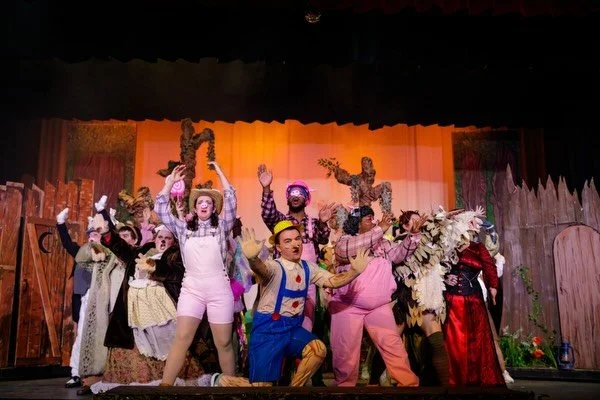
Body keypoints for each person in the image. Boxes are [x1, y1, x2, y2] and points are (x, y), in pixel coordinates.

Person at [210, 220, 371, 387]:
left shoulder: (309, 268)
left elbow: (332, 280)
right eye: (288, 241)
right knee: (261, 388)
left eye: (297, 239)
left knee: (317, 350)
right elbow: (262, 270)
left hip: (292, 328)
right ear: (278, 247)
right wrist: (253, 259)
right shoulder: (274, 267)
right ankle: (222, 380)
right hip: (268, 330)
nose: (295, 244)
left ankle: (294, 393)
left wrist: (353, 272)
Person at [156, 162, 237, 385]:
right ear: (195, 207)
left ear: (214, 208)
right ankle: (164, 387)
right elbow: (161, 209)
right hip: (192, 288)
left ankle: (231, 388)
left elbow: (231, 200)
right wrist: (169, 183)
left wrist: (220, 172)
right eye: (200, 202)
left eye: (208, 202)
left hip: (219, 289)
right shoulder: (183, 228)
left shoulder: (222, 227)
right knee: (182, 338)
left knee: (224, 343)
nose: (204, 205)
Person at [331, 206, 420, 387]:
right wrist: (380, 229)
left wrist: (413, 236)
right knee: (345, 352)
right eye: (368, 219)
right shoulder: (345, 241)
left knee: (393, 346)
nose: (374, 222)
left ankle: (409, 385)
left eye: (374, 218)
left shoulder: (382, 243)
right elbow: (347, 250)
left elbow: (398, 255)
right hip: (348, 306)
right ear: (356, 223)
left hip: (378, 307)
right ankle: (345, 389)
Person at [443, 238, 505, 386]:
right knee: (454, 342)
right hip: (452, 301)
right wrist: (444, 278)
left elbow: (490, 267)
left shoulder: (477, 247)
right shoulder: (447, 243)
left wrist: (493, 287)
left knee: (477, 342)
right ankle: (454, 379)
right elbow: (435, 268)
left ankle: (476, 379)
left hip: (474, 301)